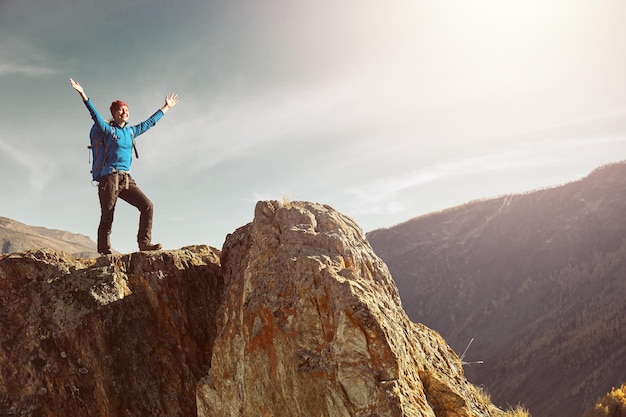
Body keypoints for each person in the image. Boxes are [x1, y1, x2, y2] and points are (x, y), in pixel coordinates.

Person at [69, 78, 179, 255]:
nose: (124, 112)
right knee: (108, 214)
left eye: (126, 110)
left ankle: (144, 244)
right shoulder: (108, 130)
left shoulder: (130, 131)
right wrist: (83, 94)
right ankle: (104, 251)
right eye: (121, 110)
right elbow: (94, 115)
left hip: (126, 179)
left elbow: (149, 123)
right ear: (114, 113)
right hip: (109, 178)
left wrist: (166, 107)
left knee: (147, 206)